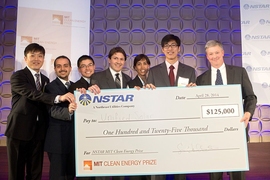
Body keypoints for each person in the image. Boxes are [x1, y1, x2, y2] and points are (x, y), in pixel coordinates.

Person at [5, 43, 74, 180]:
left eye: (40, 56)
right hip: (19, 130)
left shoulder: (45, 80)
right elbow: (33, 94)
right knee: (16, 171)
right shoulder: (18, 76)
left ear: (43, 59)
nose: (36, 59)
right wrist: (59, 98)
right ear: (25, 58)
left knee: (35, 171)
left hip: (38, 132)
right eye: (32, 56)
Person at [196, 40, 257, 180]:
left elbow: (251, 97)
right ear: (207, 56)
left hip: (236, 131)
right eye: (211, 54)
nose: (214, 56)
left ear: (222, 53)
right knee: (215, 176)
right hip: (212, 134)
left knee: (237, 175)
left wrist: (248, 113)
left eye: (217, 52)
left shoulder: (239, 72)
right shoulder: (200, 79)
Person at [146, 34, 196, 180]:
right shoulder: (154, 71)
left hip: (182, 125)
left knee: (180, 165)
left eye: (173, 45)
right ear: (162, 49)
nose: (170, 48)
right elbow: (150, 99)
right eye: (167, 46)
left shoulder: (190, 71)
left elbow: (193, 101)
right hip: (161, 124)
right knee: (160, 165)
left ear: (179, 48)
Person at [44, 55, 77, 180]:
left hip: (73, 141)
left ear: (70, 68)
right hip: (57, 140)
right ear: (55, 69)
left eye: (65, 66)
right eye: (59, 66)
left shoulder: (76, 87)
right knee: (57, 176)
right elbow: (51, 111)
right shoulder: (49, 88)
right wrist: (67, 111)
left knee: (70, 175)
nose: (62, 69)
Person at [68, 55, 100, 180]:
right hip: (83, 136)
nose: (87, 68)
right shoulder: (74, 87)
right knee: (85, 171)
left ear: (94, 66)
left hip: (100, 134)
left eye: (90, 65)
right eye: (83, 66)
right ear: (79, 70)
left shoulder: (102, 83)